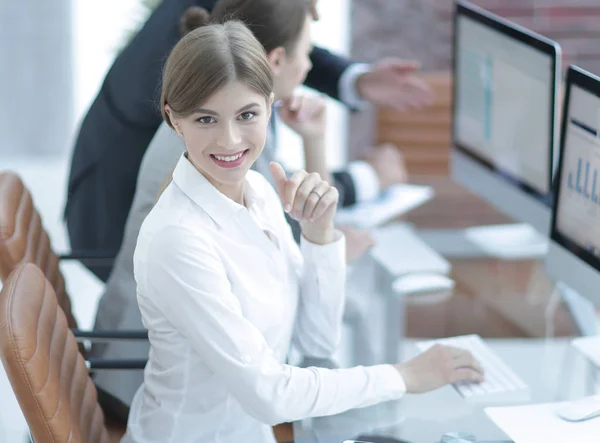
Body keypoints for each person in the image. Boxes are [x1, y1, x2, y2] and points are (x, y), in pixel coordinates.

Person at [120, 18, 483, 443]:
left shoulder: (257, 190)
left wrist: (319, 235)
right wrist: (404, 376)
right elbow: (270, 395)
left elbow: (316, 338)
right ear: (173, 119)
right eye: (206, 119)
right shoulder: (177, 239)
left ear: (271, 106)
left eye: (247, 114)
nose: (230, 139)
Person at [90, 0, 384, 420]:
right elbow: (288, 279)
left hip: (183, 371)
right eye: (307, 52)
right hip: (144, 376)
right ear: (277, 60)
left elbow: (299, 282)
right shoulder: (219, 156)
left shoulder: (239, 156)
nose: (308, 67)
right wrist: (402, 376)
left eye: (248, 114)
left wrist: (315, 142)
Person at [64, 0, 432, 281]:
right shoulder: (210, 96)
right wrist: (359, 190)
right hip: (118, 225)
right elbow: (274, 220)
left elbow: (277, 37)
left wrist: (348, 85)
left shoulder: (234, 51)